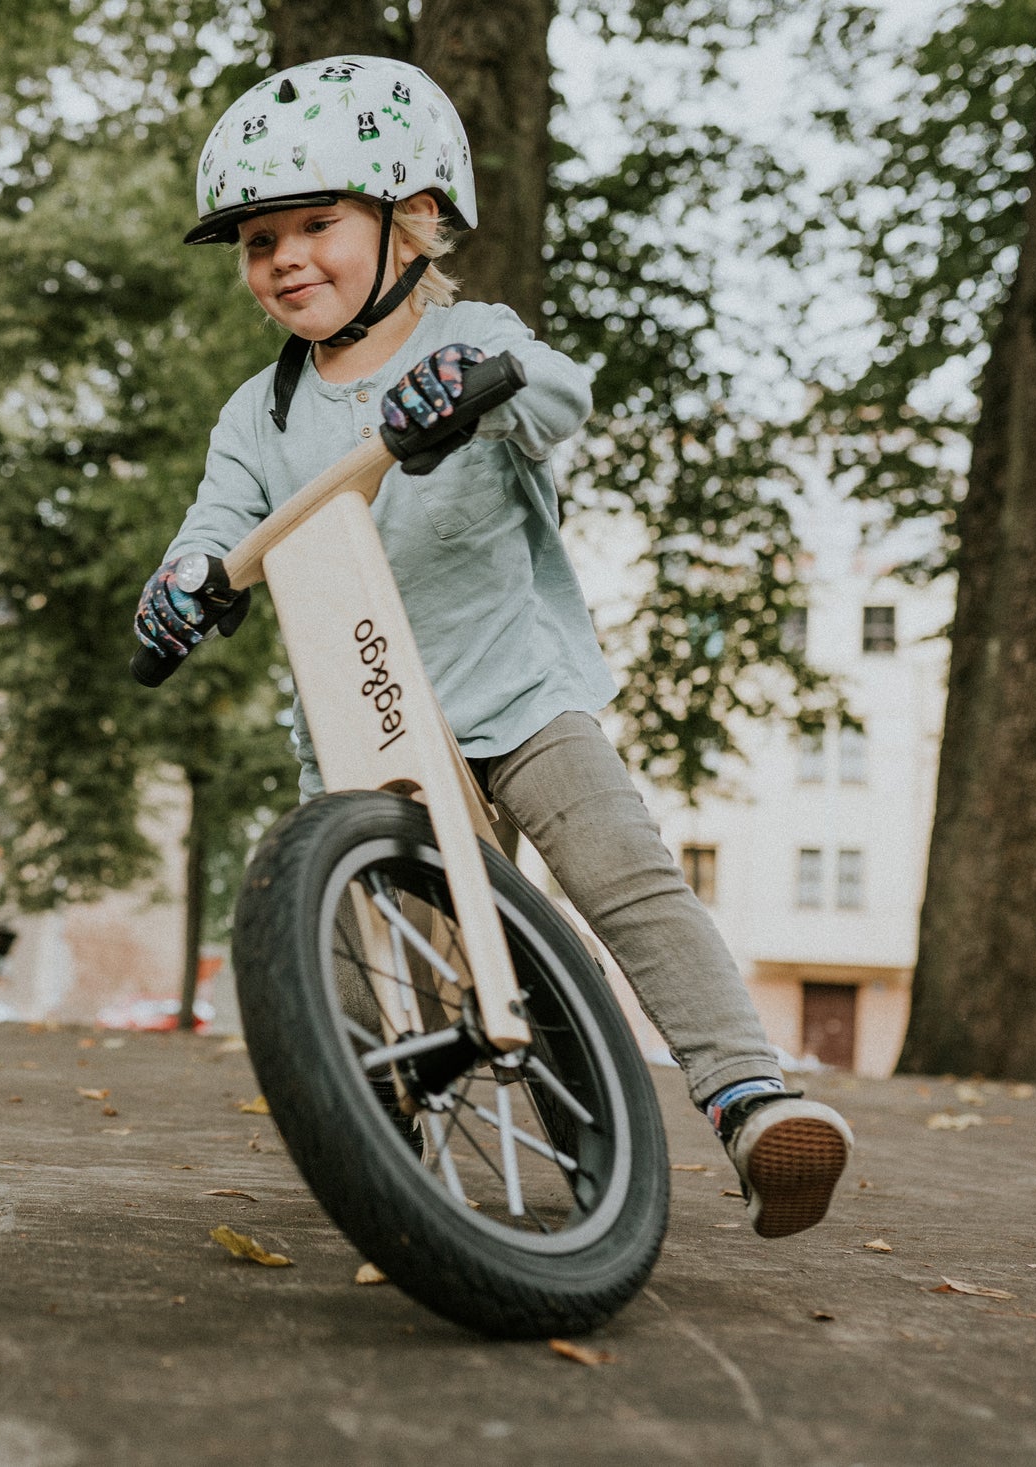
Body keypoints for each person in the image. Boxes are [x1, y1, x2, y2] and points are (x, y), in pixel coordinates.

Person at [136, 55, 852, 1239]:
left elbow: (557, 396)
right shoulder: (255, 416)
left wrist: (481, 382)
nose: (284, 260)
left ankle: (746, 1097)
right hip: (366, 720)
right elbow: (216, 526)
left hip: (517, 697)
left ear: (412, 217)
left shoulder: (470, 333)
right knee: (386, 949)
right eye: (259, 243)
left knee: (623, 876)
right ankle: (389, 1144)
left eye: (316, 222)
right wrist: (181, 585)